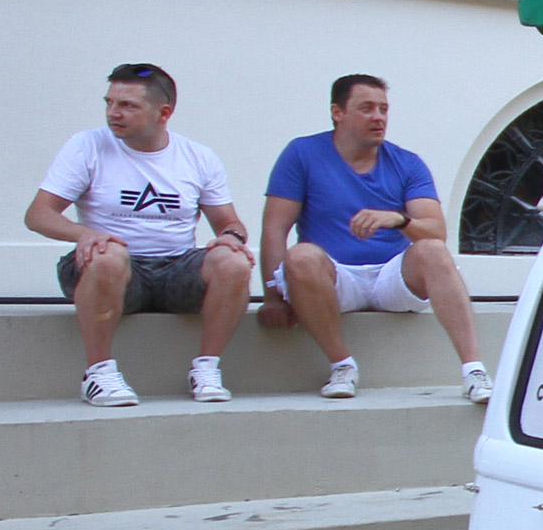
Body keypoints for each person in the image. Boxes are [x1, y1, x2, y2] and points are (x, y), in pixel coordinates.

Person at [24, 62, 252, 407]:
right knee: (109, 253)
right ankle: (98, 374)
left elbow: (230, 224)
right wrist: (84, 233)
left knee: (234, 263)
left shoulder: (198, 157)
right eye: (109, 103)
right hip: (114, 270)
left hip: (177, 270)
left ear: (164, 113)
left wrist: (232, 238)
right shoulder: (87, 146)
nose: (113, 113)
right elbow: (38, 214)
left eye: (127, 105)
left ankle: (206, 369)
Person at [260, 76, 493, 403]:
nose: (378, 117)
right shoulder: (302, 153)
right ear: (337, 113)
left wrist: (399, 220)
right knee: (300, 256)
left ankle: (474, 372)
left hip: (391, 278)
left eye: (383, 109)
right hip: (336, 277)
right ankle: (342, 366)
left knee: (434, 251)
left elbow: (436, 230)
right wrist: (272, 296)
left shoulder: (407, 162)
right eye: (367, 108)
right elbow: (274, 228)